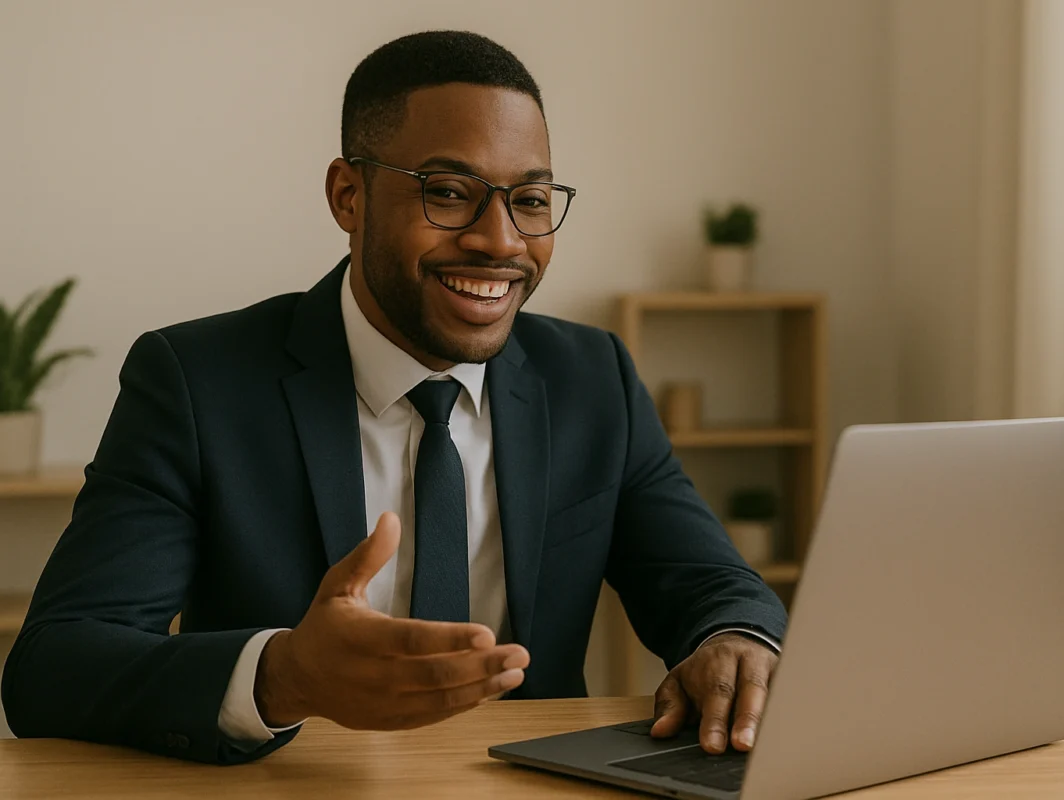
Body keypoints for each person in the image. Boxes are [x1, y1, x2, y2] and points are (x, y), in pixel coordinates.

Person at [1, 30, 786, 765]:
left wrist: (737, 641)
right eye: (448, 192)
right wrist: (282, 676)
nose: (501, 241)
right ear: (349, 196)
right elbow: (53, 665)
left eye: (531, 200)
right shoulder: (196, 381)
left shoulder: (592, 378)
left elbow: (711, 585)